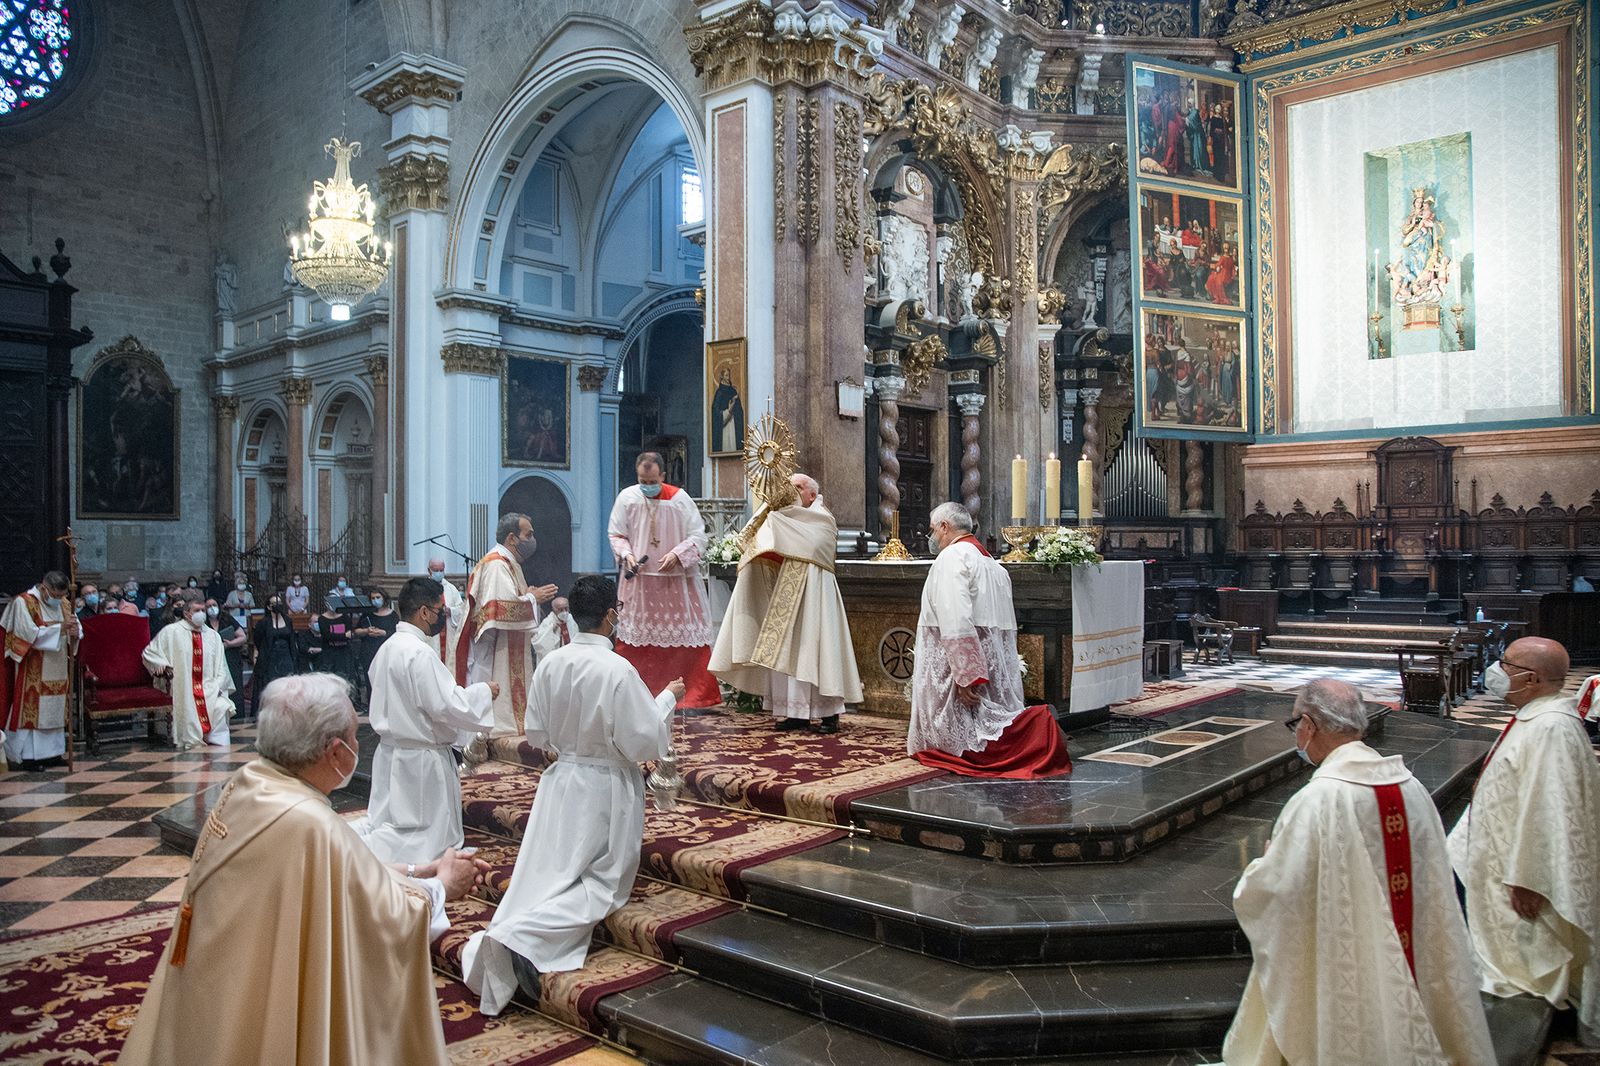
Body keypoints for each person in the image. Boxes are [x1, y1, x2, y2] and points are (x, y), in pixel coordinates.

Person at [119, 672, 490, 1066]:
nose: (354, 750)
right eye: (352, 738)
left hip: (225, 987)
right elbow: (379, 914)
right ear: (334, 752)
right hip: (264, 996)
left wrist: (418, 870)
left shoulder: (255, 784)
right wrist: (442, 888)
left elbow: (339, 875)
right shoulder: (307, 822)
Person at [1219, 680, 1496, 1065]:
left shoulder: (1320, 799)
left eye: (1294, 724)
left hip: (1347, 950)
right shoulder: (1409, 785)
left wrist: (1262, 866)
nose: (1296, 734)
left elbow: (1278, 893)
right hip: (1412, 943)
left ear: (1309, 724)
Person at [463, 575, 683, 1016]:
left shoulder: (553, 662)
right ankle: (521, 939)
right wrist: (667, 698)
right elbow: (643, 741)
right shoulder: (618, 669)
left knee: (550, 872)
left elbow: (539, 733)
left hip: (561, 784)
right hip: (605, 787)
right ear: (611, 616)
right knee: (602, 885)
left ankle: (513, 929)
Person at [1449, 637, 1600, 1052]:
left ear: (1530, 678)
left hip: (1518, 874)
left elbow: (1550, 810)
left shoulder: (1552, 728)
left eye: (1506, 664)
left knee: (1526, 957)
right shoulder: (1536, 715)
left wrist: (1530, 877)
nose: (1498, 671)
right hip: (1497, 855)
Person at [908, 502, 1072, 778]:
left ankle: (1038, 728)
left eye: (933, 529)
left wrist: (966, 676)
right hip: (991, 663)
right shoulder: (994, 566)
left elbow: (956, 619)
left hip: (959, 668)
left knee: (964, 737)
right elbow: (1006, 629)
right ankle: (1035, 729)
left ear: (945, 527)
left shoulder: (952, 558)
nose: (932, 536)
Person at [357, 578, 497, 865]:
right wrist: (484, 692)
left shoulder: (388, 648)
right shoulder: (419, 653)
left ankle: (354, 848)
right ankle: (357, 855)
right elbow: (446, 705)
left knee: (390, 819)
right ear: (423, 612)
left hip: (391, 752)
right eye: (439, 610)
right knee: (418, 833)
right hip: (421, 758)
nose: (441, 618)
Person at [711, 472, 862, 734]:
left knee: (817, 651)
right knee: (787, 653)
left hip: (816, 597)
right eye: (789, 487)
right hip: (786, 595)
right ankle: (795, 713)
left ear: (812, 494)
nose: (792, 492)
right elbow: (767, 545)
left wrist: (777, 524)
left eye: (798, 488)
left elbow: (813, 548)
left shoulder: (823, 519)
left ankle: (828, 715)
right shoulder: (780, 519)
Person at [608, 451, 720, 708]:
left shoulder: (680, 499)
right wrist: (627, 554)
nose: (647, 486)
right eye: (643, 481)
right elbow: (616, 534)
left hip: (674, 583)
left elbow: (698, 537)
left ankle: (693, 697)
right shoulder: (627, 498)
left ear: (662, 475)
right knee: (636, 641)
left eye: (652, 481)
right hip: (640, 584)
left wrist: (677, 555)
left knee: (683, 640)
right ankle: (635, 697)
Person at [455, 513, 557, 735]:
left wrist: (527, 595)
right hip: (495, 650)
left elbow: (507, 599)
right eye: (528, 534)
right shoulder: (497, 565)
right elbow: (498, 611)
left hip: (506, 645)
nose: (532, 539)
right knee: (496, 716)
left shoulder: (507, 563)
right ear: (512, 538)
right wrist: (533, 598)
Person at [1, 570, 78, 770]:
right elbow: (25, 633)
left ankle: (52, 754)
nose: (59, 600)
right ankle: (27, 757)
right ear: (44, 588)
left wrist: (75, 632)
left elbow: (73, 627)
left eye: (62, 596)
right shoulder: (24, 602)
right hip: (33, 666)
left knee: (54, 710)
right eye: (55, 595)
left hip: (58, 665)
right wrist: (60, 629)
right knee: (34, 711)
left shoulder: (64, 603)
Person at [143, 591, 235, 749]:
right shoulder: (171, 632)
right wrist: (162, 663)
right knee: (189, 708)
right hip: (183, 688)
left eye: (203, 610)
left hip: (209, 688)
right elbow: (150, 653)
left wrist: (217, 686)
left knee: (221, 706)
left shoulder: (213, 636)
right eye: (196, 611)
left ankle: (214, 741)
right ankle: (192, 737)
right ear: (186, 613)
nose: (201, 614)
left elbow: (222, 667)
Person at [251, 595, 302, 718]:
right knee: (271, 685)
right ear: (268, 607)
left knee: (288, 684)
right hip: (270, 656)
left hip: (286, 656)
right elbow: (257, 639)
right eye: (274, 603)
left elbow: (291, 638)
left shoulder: (288, 620)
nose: (277, 605)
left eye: (279, 602)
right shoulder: (263, 623)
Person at [355, 587, 398, 707]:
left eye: (378, 597)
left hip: (386, 650)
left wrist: (383, 632)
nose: (375, 600)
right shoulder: (367, 614)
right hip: (369, 650)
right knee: (370, 680)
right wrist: (366, 631)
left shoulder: (392, 615)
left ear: (384, 598)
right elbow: (357, 631)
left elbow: (397, 632)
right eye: (373, 598)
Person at [427, 557, 466, 670]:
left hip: (448, 630)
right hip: (431, 634)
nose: (439, 573)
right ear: (429, 570)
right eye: (436, 570)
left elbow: (461, 608)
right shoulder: (423, 588)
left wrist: (451, 611)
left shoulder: (451, 588)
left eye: (441, 570)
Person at [208, 598, 247, 700]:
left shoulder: (227, 618)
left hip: (231, 656)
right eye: (208, 606)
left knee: (236, 687)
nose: (212, 608)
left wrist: (229, 644)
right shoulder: (204, 623)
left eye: (214, 605)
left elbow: (242, 637)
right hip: (213, 659)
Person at [532, 595, 572, 661]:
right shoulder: (548, 622)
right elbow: (538, 643)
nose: (564, 612)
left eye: (566, 608)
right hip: (555, 659)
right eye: (560, 609)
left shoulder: (571, 619)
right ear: (554, 609)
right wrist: (552, 630)